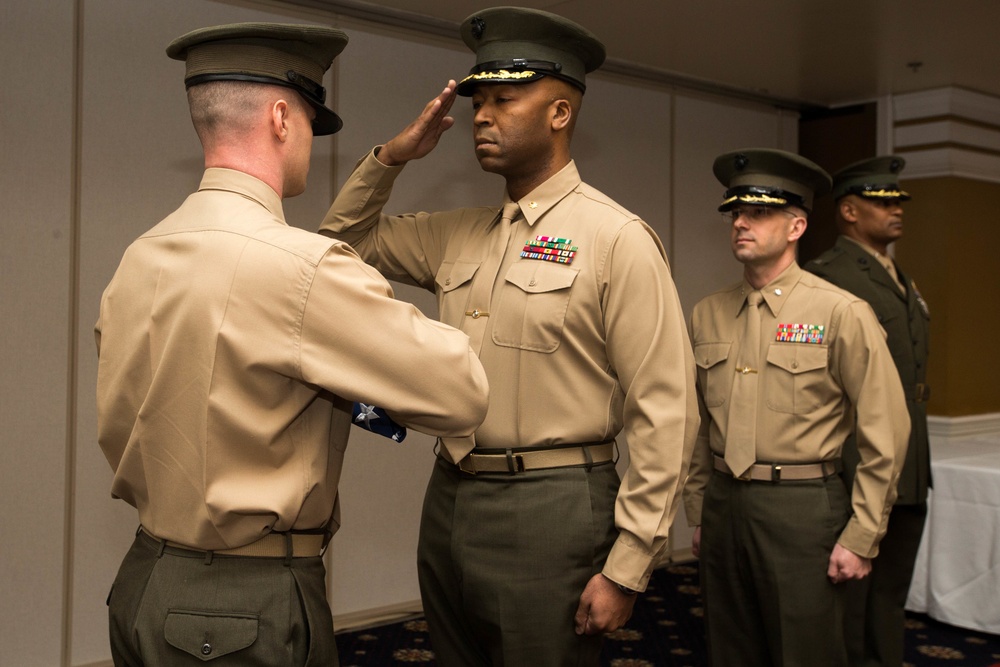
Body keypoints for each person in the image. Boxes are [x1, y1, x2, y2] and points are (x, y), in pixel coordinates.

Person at [96, 22, 489, 667]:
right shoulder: (300, 270)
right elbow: (463, 393)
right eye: (311, 119)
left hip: (145, 583)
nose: (310, 137)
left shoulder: (141, 256)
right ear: (281, 117)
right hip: (243, 610)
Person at [320, 6, 698, 665]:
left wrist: (629, 563)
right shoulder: (459, 233)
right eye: (477, 102)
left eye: (504, 98)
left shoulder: (617, 240)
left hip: (554, 510)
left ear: (559, 113)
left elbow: (664, 410)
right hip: (452, 495)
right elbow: (342, 244)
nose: (482, 116)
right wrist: (390, 157)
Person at [682, 148, 909, 666]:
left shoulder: (840, 311)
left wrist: (862, 535)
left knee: (804, 650)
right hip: (724, 504)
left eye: (758, 212)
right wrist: (699, 509)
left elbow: (885, 432)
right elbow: (697, 425)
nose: (740, 222)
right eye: (735, 212)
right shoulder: (708, 312)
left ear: (797, 226)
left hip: (803, 508)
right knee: (729, 647)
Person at [805, 156, 930, 667]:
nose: (896, 210)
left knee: (890, 593)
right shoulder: (830, 277)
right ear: (850, 211)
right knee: (851, 601)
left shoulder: (898, 275)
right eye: (883, 202)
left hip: (910, 458)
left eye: (898, 200)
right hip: (859, 460)